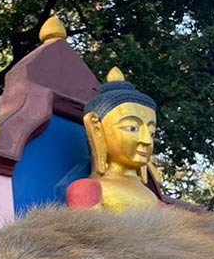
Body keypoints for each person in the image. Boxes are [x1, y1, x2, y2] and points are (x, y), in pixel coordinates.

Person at [65, 68, 163, 212]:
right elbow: (93, 233)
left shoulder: (152, 197)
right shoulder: (90, 190)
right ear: (97, 129)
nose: (147, 141)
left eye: (151, 133)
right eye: (132, 128)